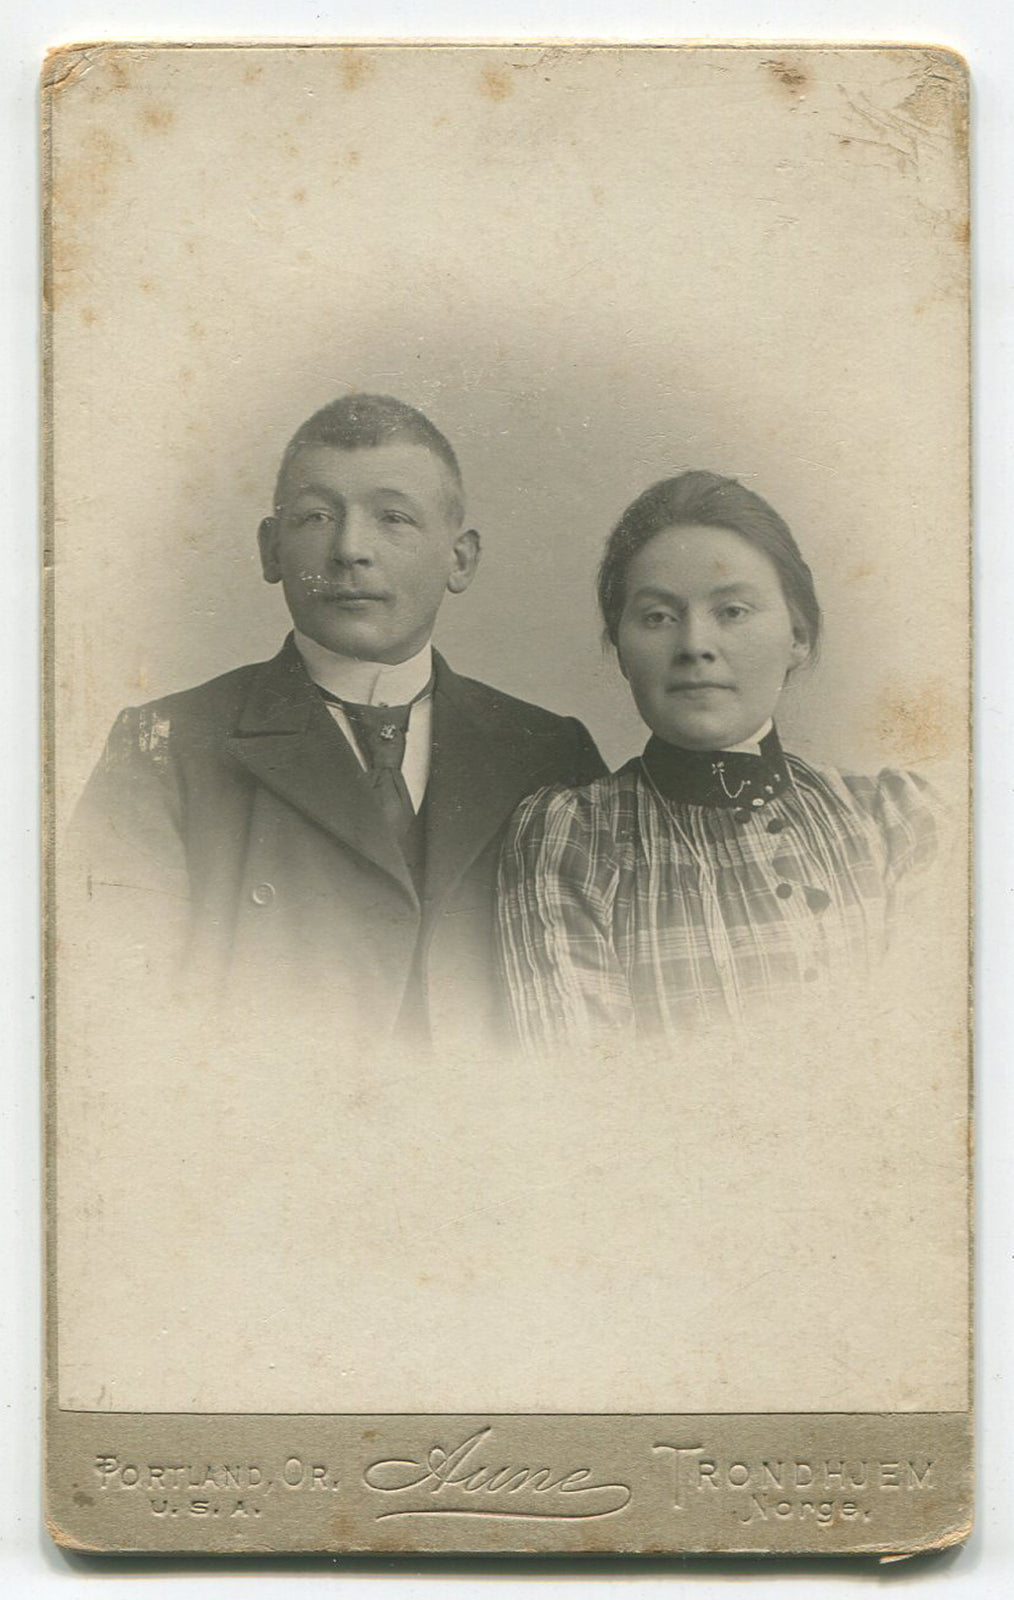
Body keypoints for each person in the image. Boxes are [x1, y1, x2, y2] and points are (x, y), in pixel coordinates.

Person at [71, 394, 605, 1057]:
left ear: (460, 558)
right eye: (318, 516)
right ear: (270, 550)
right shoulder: (164, 749)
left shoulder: (549, 753)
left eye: (394, 518)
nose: (351, 550)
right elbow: (112, 1018)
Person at [496, 471, 942, 1053]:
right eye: (657, 616)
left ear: (798, 636)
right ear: (622, 651)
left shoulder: (898, 819)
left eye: (732, 611)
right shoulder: (572, 838)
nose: (694, 645)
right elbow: (584, 1098)